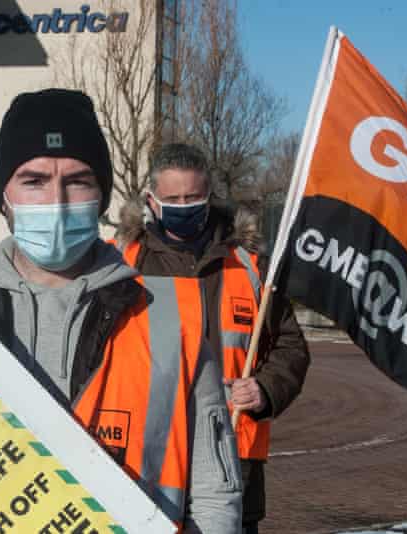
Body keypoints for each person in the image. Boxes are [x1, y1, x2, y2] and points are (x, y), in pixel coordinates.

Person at [0, 89, 242, 533]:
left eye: (78, 181)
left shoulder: (171, 317)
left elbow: (215, 493)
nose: (57, 200)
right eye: (34, 181)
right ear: (3, 196)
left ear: (102, 195)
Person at [115, 143, 311, 534]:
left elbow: (291, 346)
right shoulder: (122, 263)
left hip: (233, 461)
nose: (183, 206)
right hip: (143, 460)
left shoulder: (250, 265)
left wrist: (266, 389)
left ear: (209, 196)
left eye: (193, 197)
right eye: (172, 199)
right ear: (151, 201)